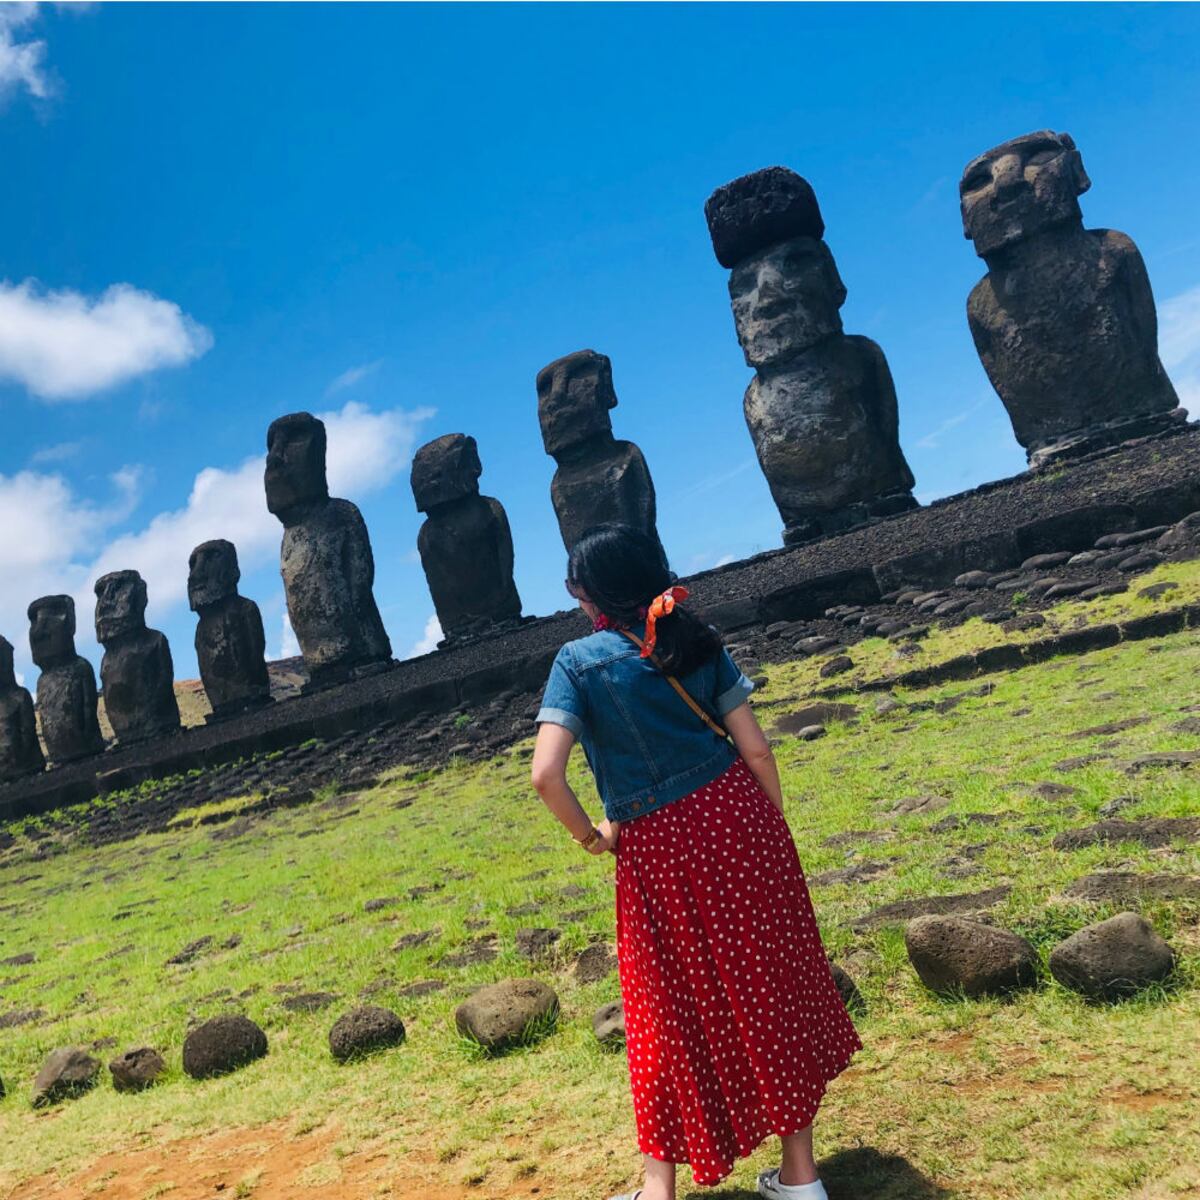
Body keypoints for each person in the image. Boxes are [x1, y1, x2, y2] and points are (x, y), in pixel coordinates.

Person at [531, 524, 862, 1200]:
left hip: (657, 847)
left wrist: (593, 837)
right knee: (770, 986)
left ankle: (659, 1190)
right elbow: (757, 748)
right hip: (740, 821)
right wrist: (769, 831)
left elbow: (545, 775)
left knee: (664, 1009)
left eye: (576, 590)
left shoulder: (577, 662)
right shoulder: (696, 636)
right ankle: (800, 1178)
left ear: (595, 594)